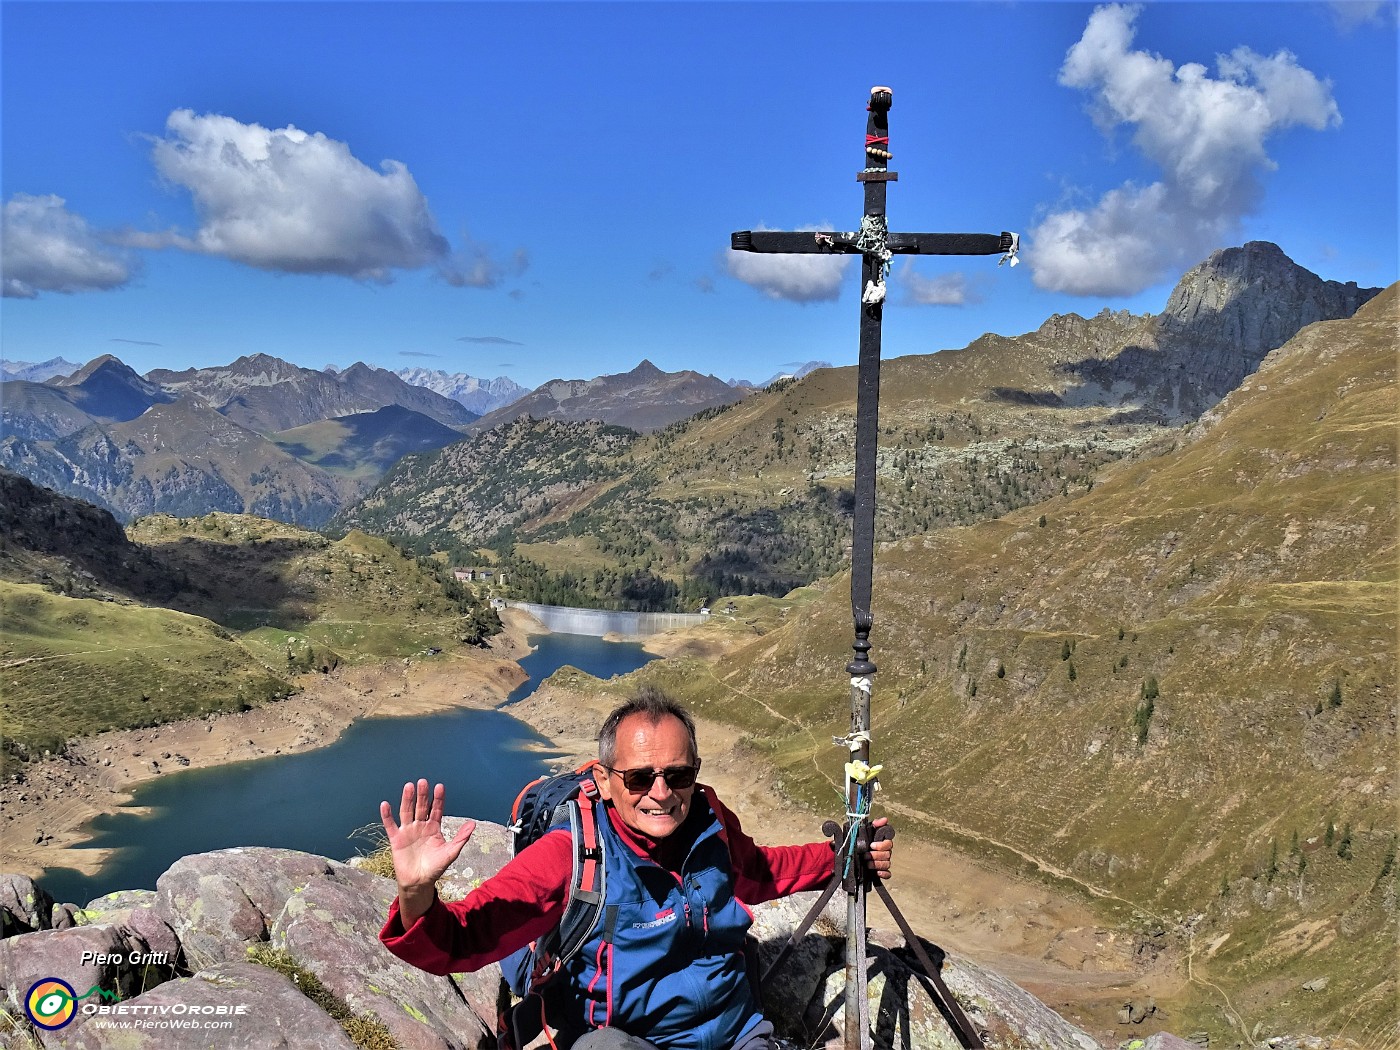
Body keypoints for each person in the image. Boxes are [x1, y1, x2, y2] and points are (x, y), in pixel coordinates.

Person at [378, 687, 893, 1050]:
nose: (662, 793)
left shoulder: (712, 821)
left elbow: (761, 873)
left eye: (679, 774)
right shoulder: (572, 856)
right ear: (603, 780)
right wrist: (416, 893)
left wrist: (845, 857)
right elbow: (466, 938)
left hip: (739, 1034)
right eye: (640, 777)